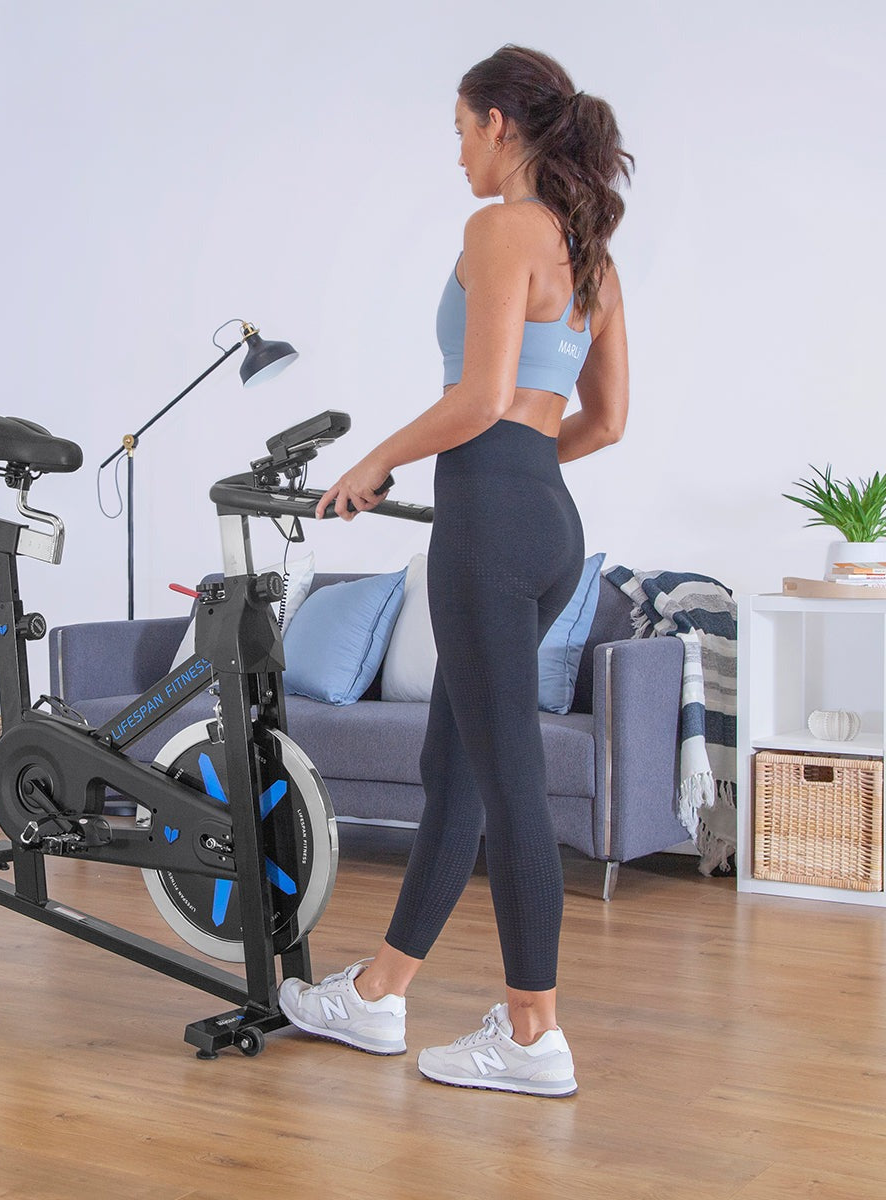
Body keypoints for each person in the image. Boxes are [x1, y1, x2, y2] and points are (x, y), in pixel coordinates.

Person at [278, 45, 632, 1096]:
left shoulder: (500, 229)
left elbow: (478, 397)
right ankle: (379, 993)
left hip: (488, 531)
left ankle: (532, 1036)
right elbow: (606, 422)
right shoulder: (593, 255)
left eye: (461, 131)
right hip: (549, 525)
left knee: (509, 781)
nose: (459, 155)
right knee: (460, 767)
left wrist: (375, 462)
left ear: (496, 124)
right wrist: (524, 473)